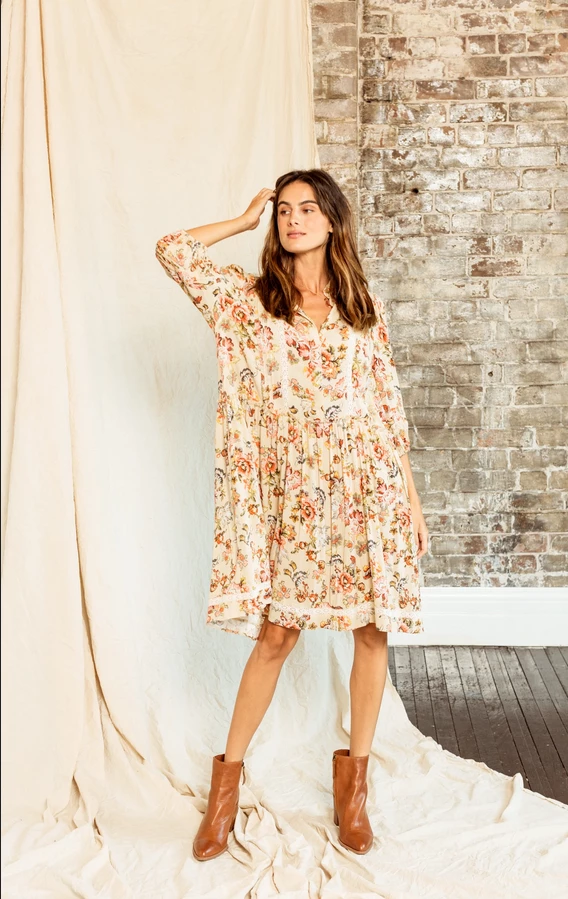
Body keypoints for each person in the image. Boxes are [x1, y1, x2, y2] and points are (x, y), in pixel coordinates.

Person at [155, 169, 429, 861]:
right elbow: (173, 250)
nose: (293, 218)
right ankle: (224, 792)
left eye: (307, 207)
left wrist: (410, 499)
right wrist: (242, 218)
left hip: (367, 490)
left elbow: (386, 408)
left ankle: (353, 789)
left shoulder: (361, 307)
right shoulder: (250, 304)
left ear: (332, 220)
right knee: (277, 635)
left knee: (373, 631)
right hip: (294, 501)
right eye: (284, 209)